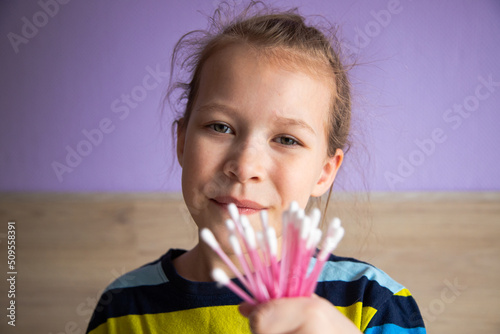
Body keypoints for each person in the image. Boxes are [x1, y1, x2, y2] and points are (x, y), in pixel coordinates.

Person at [86, 2, 426, 333]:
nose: (245, 166)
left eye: (287, 140)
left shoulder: (373, 303)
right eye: (220, 127)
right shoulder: (121, 309)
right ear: (182, 142)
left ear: (325, 172)